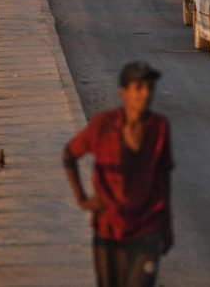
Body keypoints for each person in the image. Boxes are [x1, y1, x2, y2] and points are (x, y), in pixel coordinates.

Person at [63, 61, 173, 287]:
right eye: (139, 88)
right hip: (109, 227)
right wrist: (82, 199)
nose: (145, 94)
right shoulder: (103, 125)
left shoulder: (159, 127)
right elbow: (69, 155)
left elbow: (164, 177)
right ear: (123, 92)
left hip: (147, 227)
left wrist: (167, 224)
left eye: (150, 88)